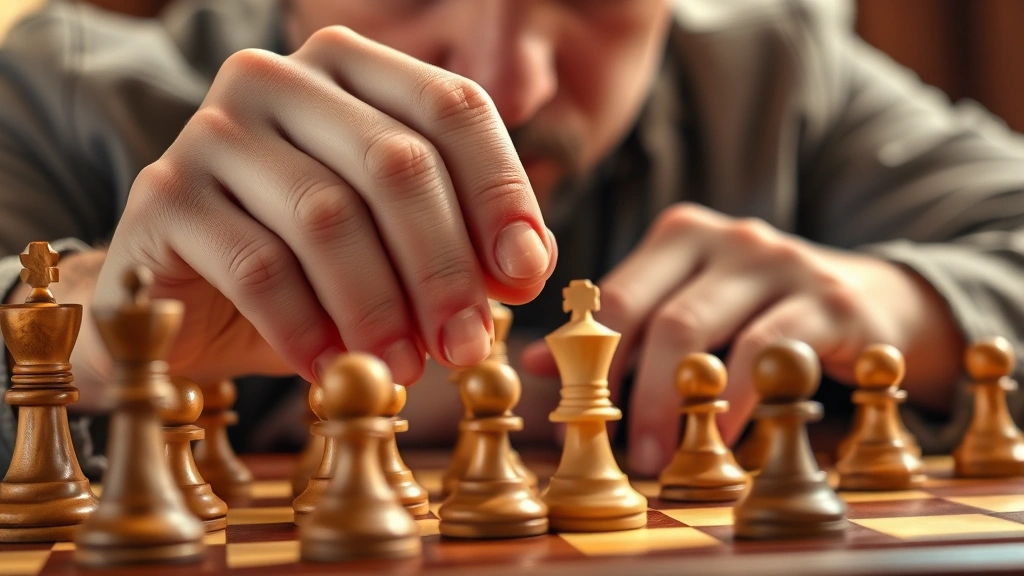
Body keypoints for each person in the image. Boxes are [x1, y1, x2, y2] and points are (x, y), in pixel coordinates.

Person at [1, 0, 1022, 479]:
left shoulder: (786, 84)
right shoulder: (62, 90)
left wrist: (903, 307)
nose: (509, 82)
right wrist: (80, 337)